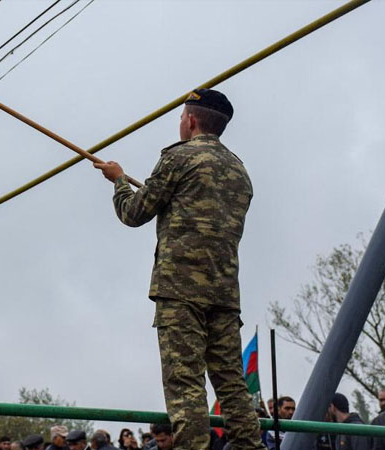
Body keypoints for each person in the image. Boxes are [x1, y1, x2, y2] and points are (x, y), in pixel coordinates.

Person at [94, 88, 262, 450]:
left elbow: (133, 213)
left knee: (185, 384)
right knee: (232, 386)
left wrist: (119, 181)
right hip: (224, 293)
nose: (180, 122)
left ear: (191, 120)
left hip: (180, 290)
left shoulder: (178, 158)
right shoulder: (240, 171)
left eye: (181, 116)